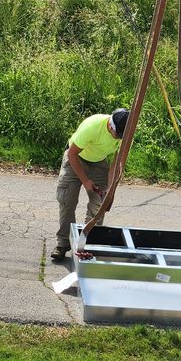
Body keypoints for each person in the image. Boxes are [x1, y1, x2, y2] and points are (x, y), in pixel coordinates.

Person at [51, 108, 130, 261]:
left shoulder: (127, 134)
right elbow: (72, 153)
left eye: (122, 136)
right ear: (111, 126)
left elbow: (116, 164)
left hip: (99, 162)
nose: (119, 139)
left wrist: (110, 189)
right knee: (67, 200)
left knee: (100, 203)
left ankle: (86, 244)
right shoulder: (92, 126)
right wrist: (85, 181)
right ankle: (63, 243)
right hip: (76, 158)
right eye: (117, 135)